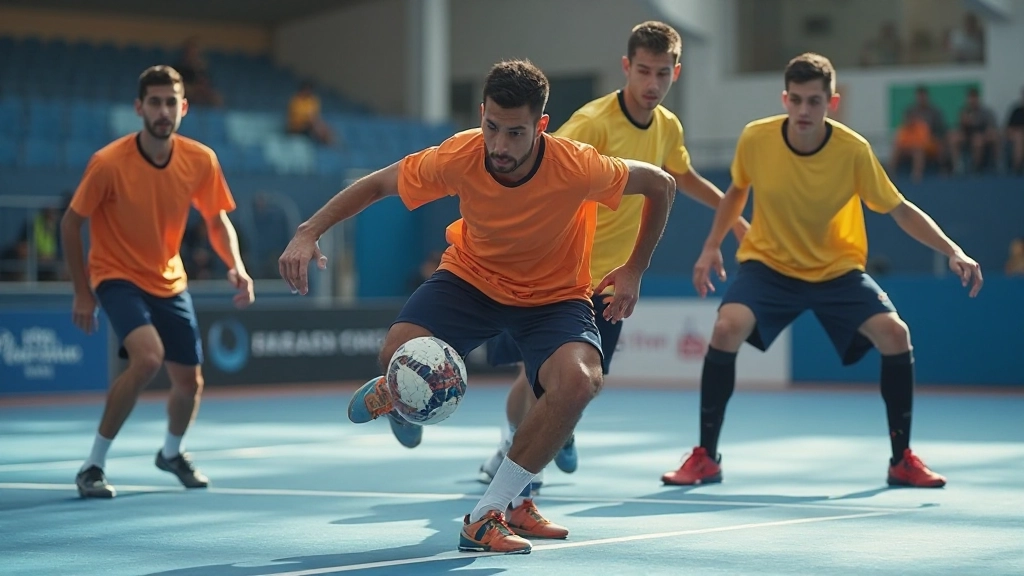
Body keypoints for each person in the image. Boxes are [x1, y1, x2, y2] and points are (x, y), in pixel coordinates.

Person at [279, 59, 675, 554]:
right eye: (491, 127)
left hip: (553, 297)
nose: (500, 146)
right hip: (472, 280)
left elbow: (662, 184)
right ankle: (401, 394)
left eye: (515, 133)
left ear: (541, 126)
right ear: (481, 114)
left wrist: (635, 268)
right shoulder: (459, 155)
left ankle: (489, 512)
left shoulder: (578, 165)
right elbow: (379, 184)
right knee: (395, 353)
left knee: (579, 381)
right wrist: (307, 231)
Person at [661, 53, 983, 489]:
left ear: (832, 102)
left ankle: (901, 459)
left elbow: (900, 210)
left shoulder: (853, 151)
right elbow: (737, 191)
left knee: (896, 335)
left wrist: (953, 250)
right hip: (769, 264)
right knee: (726, 328)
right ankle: (705, 457)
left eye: (814, 101)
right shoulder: (756, 138)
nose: (804, 110)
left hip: (836, 271)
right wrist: (711, 246)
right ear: (785, 99)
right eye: (796, 100)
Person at [461, 21, 749, 486]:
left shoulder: (668, 126)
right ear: (626, 67)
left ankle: (542, 432)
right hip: (559, 272)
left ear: (677, 71)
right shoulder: (592, 124)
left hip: (611, 279)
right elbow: (543, 174)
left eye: (663, 73)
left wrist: (731, 217)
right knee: (538, 377)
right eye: (643, 71)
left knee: (571, 379)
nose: (652, 84)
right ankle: (519, 453)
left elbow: (681, 175)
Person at [62, 66, 254, 499]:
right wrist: (81, 291)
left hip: (169, 279)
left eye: (171, 102)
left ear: (183, 107)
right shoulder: (108, 163)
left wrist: (237, 266)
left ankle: (171, 453)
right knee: (148, 359)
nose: (163, 110)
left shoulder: (200, 159)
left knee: (190, 382)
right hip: (116, 275)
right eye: (154, 102)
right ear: (139, 108)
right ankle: (92, 465)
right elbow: (72, 225)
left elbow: (216, 221)